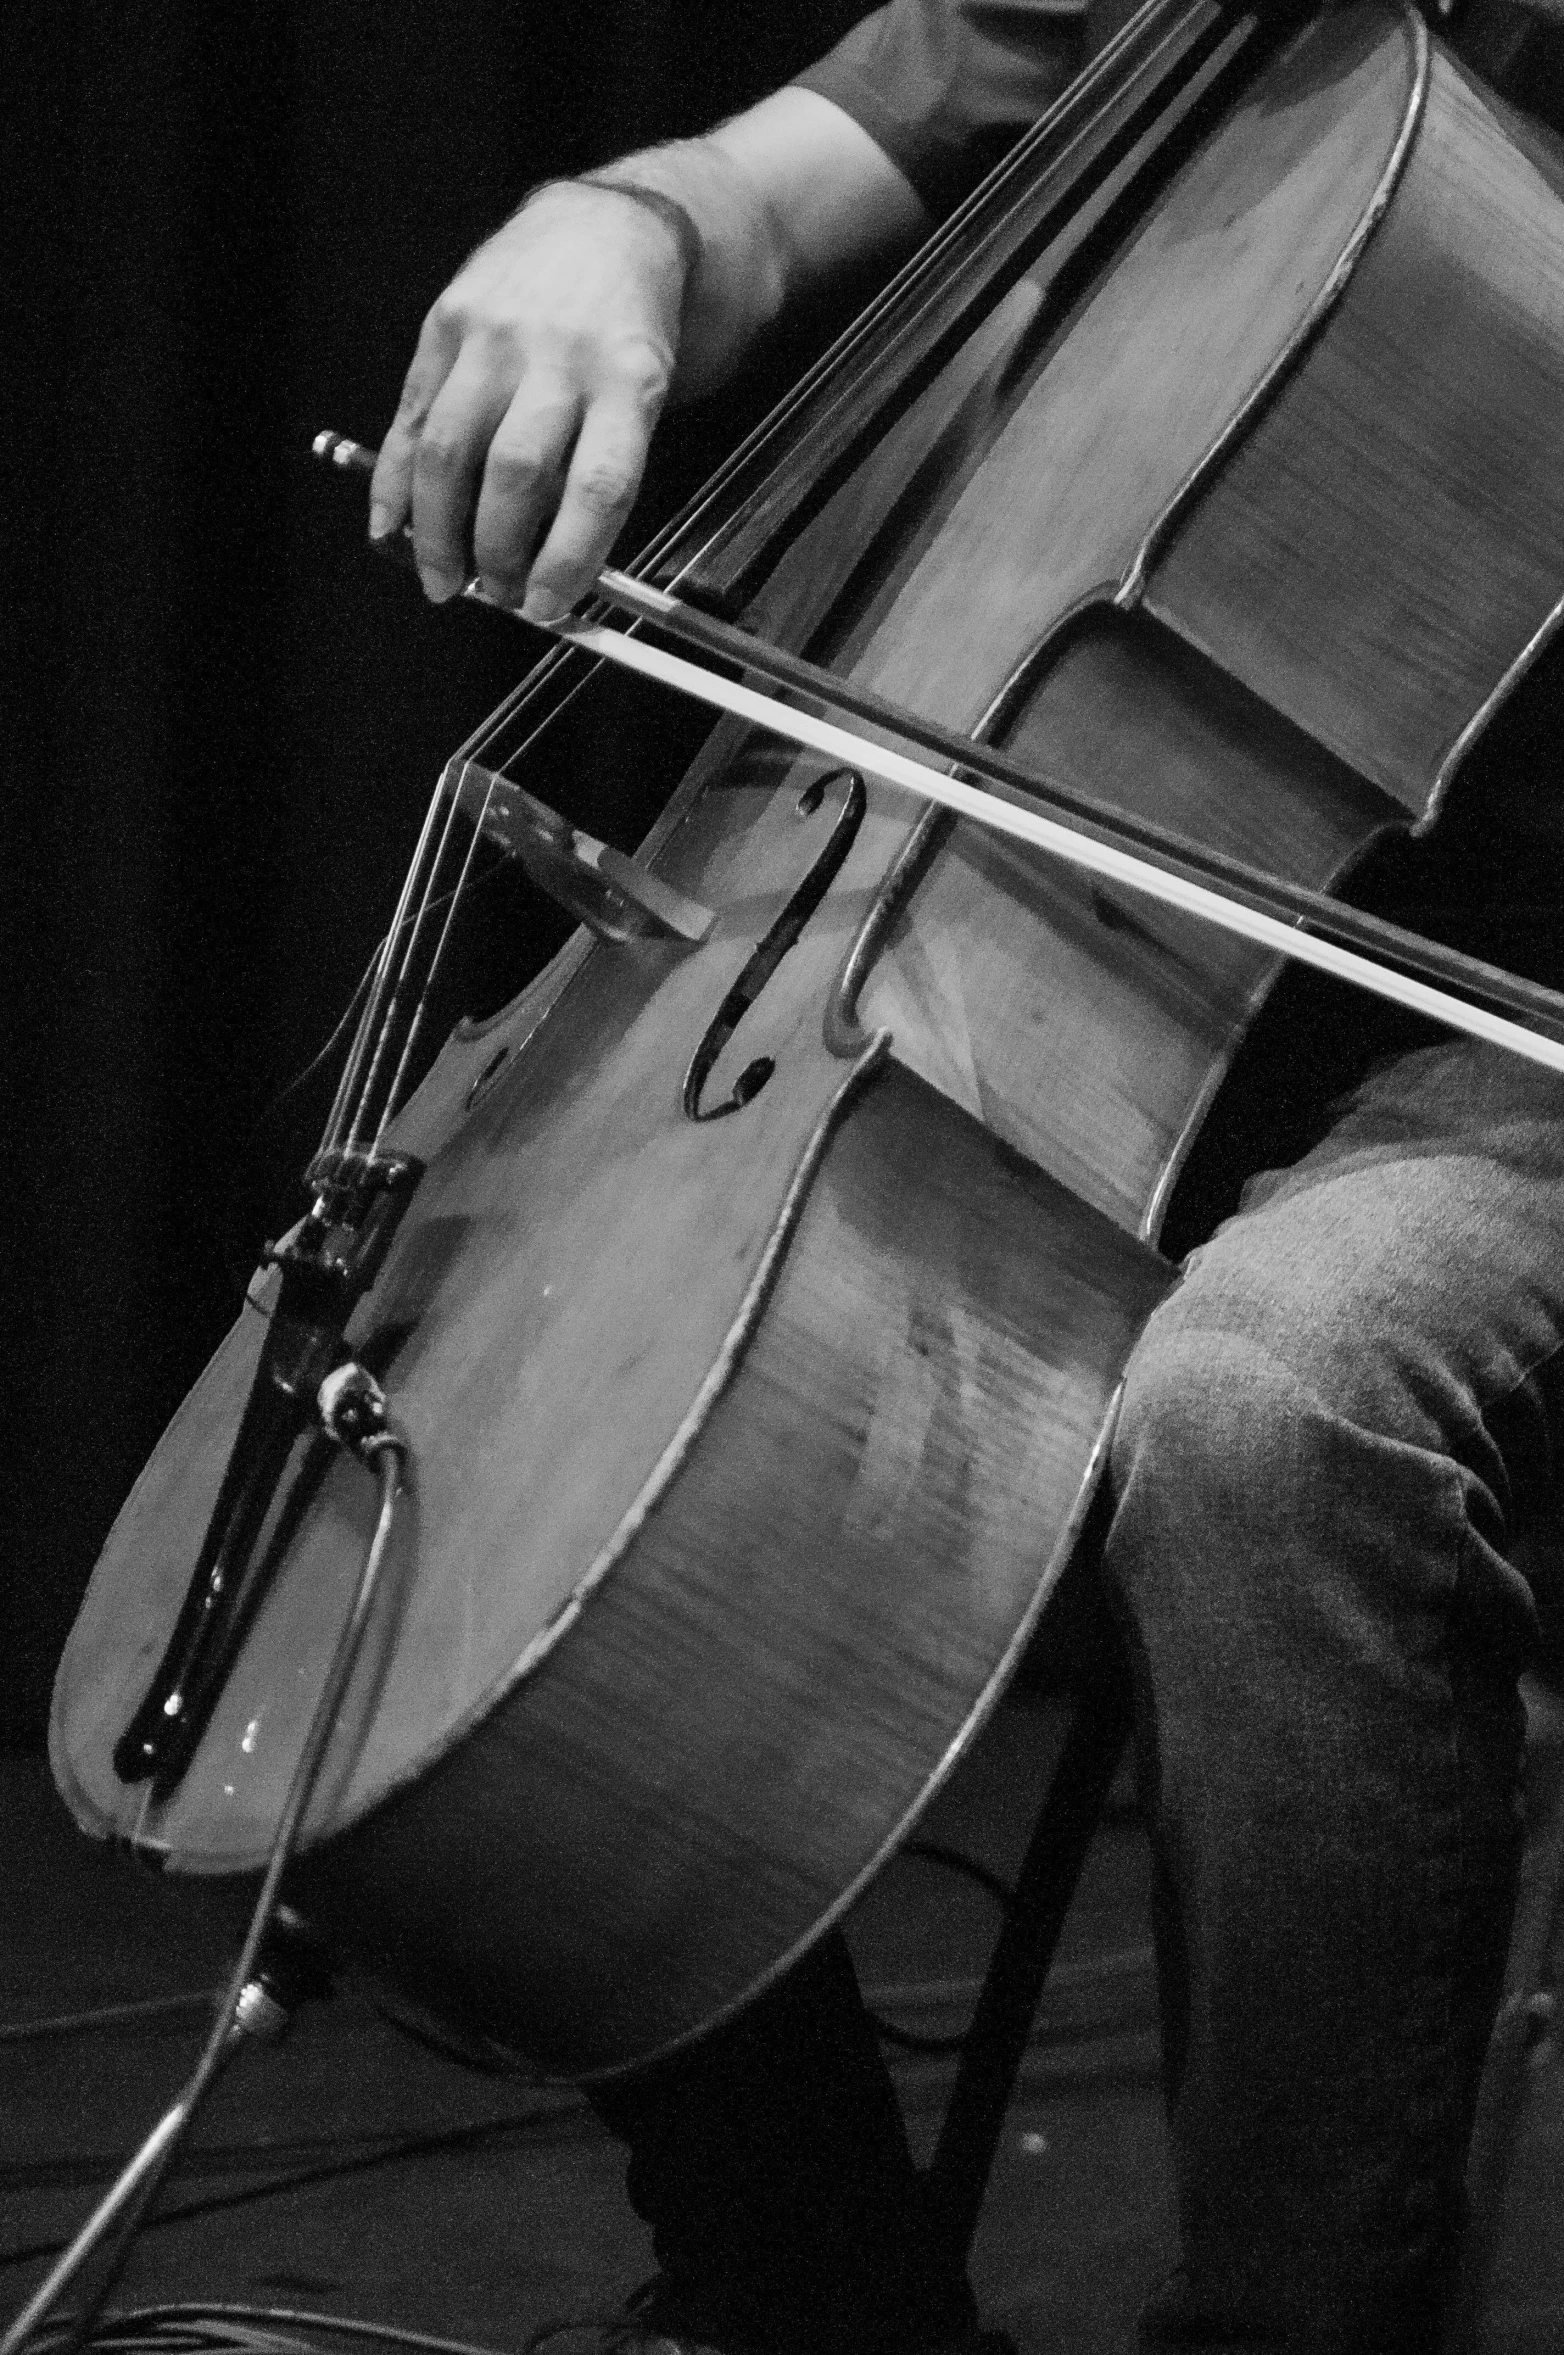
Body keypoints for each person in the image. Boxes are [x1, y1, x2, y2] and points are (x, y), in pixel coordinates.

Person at [369, 2, 1564, 2349]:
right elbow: (775, 182)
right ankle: (807, 2280)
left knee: (1265, 1403)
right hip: (1114, 942)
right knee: (475, 1372)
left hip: (1512, 1055)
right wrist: (613, 227)